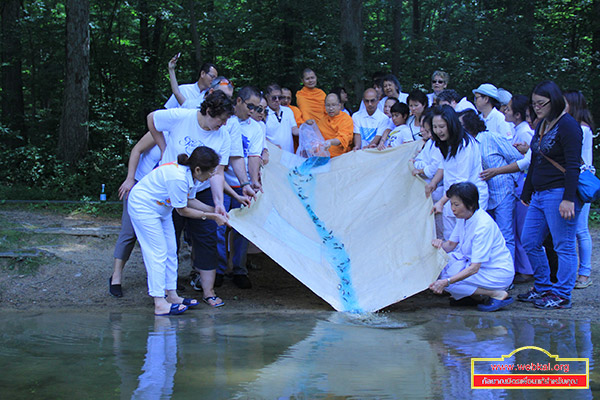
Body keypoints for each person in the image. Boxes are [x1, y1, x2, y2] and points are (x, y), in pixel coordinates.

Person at [149, 91, 234, 308]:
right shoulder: (182, 116)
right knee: (170, 238)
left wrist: (217, 202)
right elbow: (152, 119)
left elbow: (218, 172)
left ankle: (208, 291)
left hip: (202, 187)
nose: (223, 125)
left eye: (225, 121)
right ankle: (168, 291)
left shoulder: (223, 136)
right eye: (220, 119)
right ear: (207, 111)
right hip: (173, 187)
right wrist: (163, 148)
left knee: (207, 237)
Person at [128, 146, 228, 315]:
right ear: (198, 169)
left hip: (162, 208)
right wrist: (211, 217)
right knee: (157, 253)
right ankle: (159, 302)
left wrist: (214, 210)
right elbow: (183, 210)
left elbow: (190, 200)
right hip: (143, 207)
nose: (212, 176)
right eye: (210, 172)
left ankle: (172, 295)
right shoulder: (178, 178)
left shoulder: (191, 177)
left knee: (171, 251)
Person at [517, 80, 583, 309]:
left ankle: (562, 294)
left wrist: (568, 198)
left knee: (563, 245)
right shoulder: (542, 124)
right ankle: (543, 287)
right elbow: (535, 159)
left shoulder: (568, 126)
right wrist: (527, 192)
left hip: (559, 193)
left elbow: (573, 165)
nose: (536, 107)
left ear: (553, 101)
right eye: (534, 103)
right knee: (530, 241)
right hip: (539, 194)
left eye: (541, 103)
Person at [429, 182, 514, 312]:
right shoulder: (463, 217)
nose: (453, 209)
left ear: (470, 204)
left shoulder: (483, 225)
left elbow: (474, 268)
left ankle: (495, 294)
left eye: (456, 204)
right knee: (441, 267)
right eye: (451, 204)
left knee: (448, 281)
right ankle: (475, 296)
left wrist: (446, 282)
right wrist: (437, 245)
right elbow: (451, 245)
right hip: (474, 266)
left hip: (495, 272)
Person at [459, 109, 523, 260]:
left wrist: (505, 176)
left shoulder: (491, 138)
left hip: (503, 191)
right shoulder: (466, 144)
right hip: (484, 195)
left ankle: (508, 276)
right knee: (490, 234)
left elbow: (518, 158)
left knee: (505, 233)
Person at [216, 86, 264, 289]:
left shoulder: (256, 128)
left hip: (241, 184)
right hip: (220, 181)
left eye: (257, 107)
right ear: (238, 101)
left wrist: (253, 182)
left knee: (242, 230)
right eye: (250, 106)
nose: (253, 111)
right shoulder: (225, 121)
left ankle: (239, 270)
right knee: (218, 226)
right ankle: (217, 270)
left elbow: (254, 156)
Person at [425, 105, 489, 239]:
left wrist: (441, 202)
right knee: (450, 237)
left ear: (451, 124)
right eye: (435, 127)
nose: (438, 131)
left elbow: (461, 180)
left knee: (467, 238)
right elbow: (444, 165)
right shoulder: (446, 143)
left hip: (469, 197)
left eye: (442, 126)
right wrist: (434, 183)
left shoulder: (465, 145)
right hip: (451, 196)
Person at [564, 90, 595, 289]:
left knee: (581, 229)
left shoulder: (581, 130)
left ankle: (584, 273)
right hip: (575, 180)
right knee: (575, 230)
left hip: (580, 183)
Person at [412, 112, 444, 238]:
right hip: (428, 190)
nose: (421, 130)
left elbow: (433, 169)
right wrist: (422, 166)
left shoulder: (439, 145)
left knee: (442, 230)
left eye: (424, 128)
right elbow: (416, 162)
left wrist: (421, 169)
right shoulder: (430, 143)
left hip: (439, 189)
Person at [307, 92, 353, 157]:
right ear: (325, 106)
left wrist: (330, 142)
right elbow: (316, 137)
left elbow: (343, 139)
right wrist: (309, 125)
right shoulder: (323, 120)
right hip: (323, 157)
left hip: (341, 156)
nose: (331, 108)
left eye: (333, 105)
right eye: (328, 105)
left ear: (339, 106)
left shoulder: (346, 119)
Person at [264, 83, 298, 153]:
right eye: (274, 98)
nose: (277, 100)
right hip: (272, 154)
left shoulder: (288, 111)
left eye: (279, 98)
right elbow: (262, 137)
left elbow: (294, 130)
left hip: (289, 154)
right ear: (267, 97)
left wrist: (307, 130)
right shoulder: (263, 113)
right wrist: (273, 147)